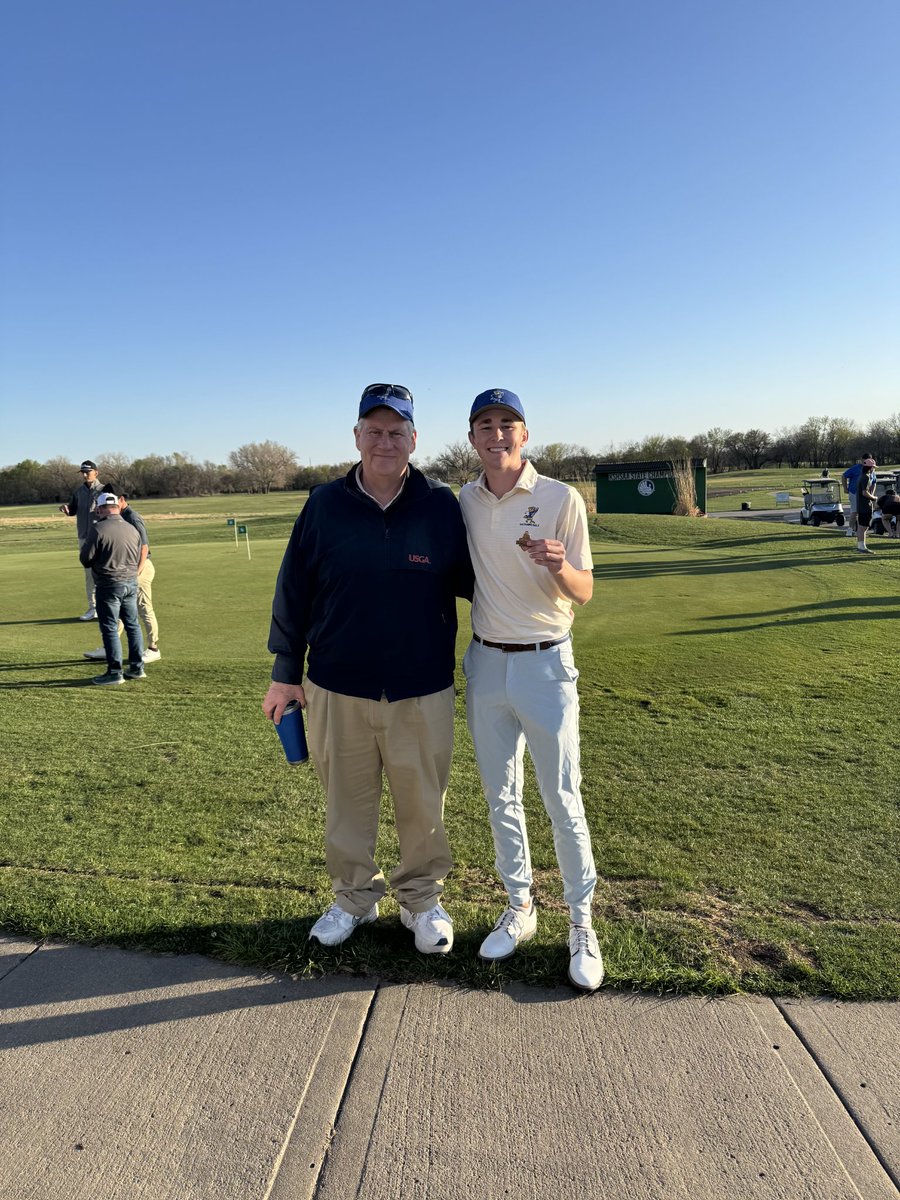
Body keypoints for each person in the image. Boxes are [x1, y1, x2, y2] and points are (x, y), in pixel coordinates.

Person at [262, 384, 472, 955]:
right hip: (337, 685)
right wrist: (286, 672)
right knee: (346, 805)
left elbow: (480, 583)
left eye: (396, 431)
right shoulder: (324, 504)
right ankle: (353, 897)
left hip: (421, 687)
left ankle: (421, 900)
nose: (385, 441)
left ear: (413, 439)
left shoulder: (440, 506)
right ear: (357, 436)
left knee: (423, 804)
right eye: (374, 431)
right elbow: (294, 591)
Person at [459, 388, 603, 993]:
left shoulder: (558, 498)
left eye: (508, 424)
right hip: (487, 663)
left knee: (562, 800)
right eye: (485, 425)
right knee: (501, 797)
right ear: (472, 438)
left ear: (525, 435)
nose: (497, 434)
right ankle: (520, 906)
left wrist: (557, 565)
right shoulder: (463, 500)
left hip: (546, 664)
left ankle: (581, 922)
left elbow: (584, 589)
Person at [83, 493, 161, 663]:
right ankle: (110, 647)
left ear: (122, 499)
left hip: (140, 567)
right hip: (128, 569)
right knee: (121, 611)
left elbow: (144, 548)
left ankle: (153, 648)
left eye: (116, 500)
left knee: (143, 607)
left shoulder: (132, 517)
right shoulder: (119, 518)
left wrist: (136, 571)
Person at [79, 493, 146, 684]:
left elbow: (86, 559)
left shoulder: (98, 528)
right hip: (131, 582)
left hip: (108, 583)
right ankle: (136, 667)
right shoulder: (131, 528)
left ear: (99, 509)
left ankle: (115, 672)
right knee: (133, 625)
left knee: (109, 628)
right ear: (117, 506)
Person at [58, 459, 105, 619]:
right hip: (84, 537)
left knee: (106, 572)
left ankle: (108, 608)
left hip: (103, 536)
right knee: (89, 573)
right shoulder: (78, 491)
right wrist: (67, 509)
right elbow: (73, 510)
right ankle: (93, 609)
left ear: (96, 472)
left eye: (88, 472)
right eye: (83, 472)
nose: (85, 475)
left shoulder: (105, 490)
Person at [841, 454, 869, 539]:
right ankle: (849, 530)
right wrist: (845, 488)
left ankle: (860, 532)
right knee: (855, 511)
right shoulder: (856, 468)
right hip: (854, 493)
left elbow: (874, 482)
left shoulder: (871, 469)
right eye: (864, 460)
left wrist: (871, 493)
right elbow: (844, 475)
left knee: (863, 513)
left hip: (865, 494)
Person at [855, 456, 878, 555]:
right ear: (870, 468)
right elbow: (864, 492)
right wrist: (873, 498)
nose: (873, 469)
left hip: (861, 505)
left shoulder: (861, 476)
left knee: (862, 527)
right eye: (873, 467)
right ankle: (862, 547)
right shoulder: (866, 477)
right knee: (863, 527)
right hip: (865, 506)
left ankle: (861, 546)